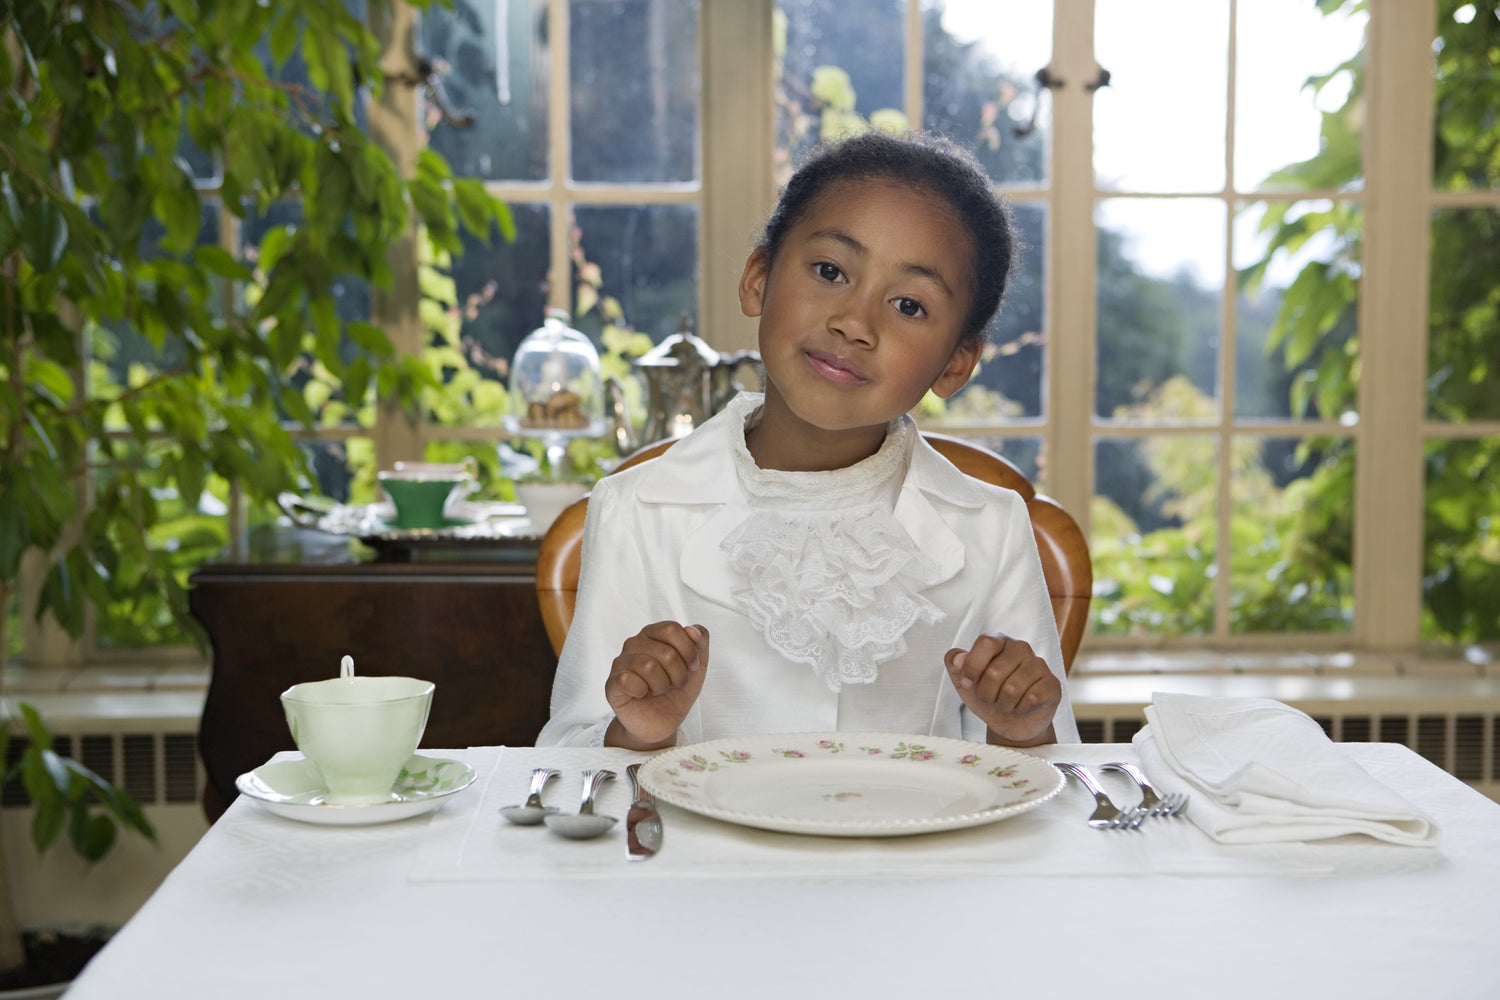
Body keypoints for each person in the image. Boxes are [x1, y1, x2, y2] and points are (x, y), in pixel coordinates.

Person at [536, 129, 1078, 749]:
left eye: (908, 305)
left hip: (913, 847)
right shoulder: (638, 509)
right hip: (702, 849)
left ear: (956, 363)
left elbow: (1049, 790)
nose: (854, 322)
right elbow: (570, 763)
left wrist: (1020, 730)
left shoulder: (992, 527)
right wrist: (638, 729)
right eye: (829, 271)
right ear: (758, 279)